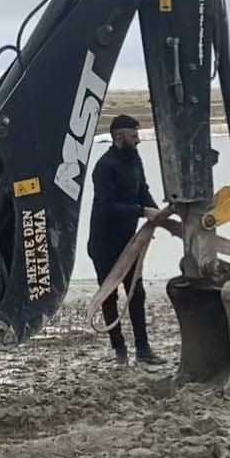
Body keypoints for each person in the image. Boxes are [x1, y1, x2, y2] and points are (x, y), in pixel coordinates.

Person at [88, 114, 161, 366]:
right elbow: (107, 207)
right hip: (104, 243)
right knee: (109, 296)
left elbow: (142, 191)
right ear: (119, 137)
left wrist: (157, 212)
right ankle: (119, 350)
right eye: (134, 136)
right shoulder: (104, 167)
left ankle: (143, 349)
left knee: (136, 293)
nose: (138, 140)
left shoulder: (135, 159)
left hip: (129, 241)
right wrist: (142, 211)